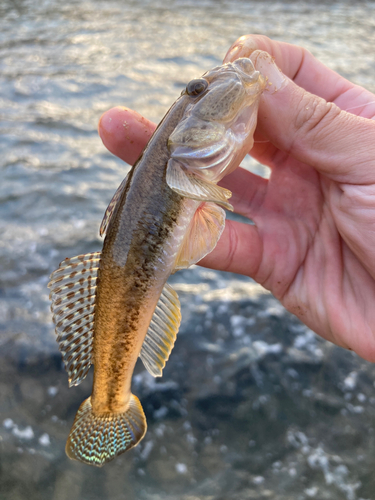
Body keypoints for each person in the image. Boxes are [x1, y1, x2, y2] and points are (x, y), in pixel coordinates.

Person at [98, 35, 375, 362]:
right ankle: (111, 399)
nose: (203, 89)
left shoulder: (183, 168)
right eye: (196, 90)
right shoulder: (177, 165)